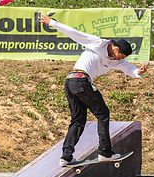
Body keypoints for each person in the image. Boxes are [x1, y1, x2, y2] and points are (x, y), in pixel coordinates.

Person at [39, 14, 147, 166]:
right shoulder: (99, 43)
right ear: (115, 48)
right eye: (119, 56)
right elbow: (76, 33)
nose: (119, 60)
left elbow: (128, 67)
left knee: (78, 120)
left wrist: (138, 73)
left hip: (71, 81)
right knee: (103, 114)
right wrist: (53, 23)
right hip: (80, 80)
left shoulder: (116, 60)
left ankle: (66, 157)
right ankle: (105, 152)